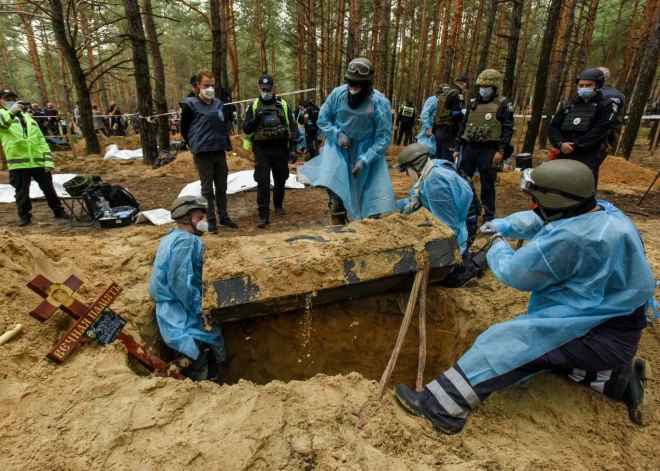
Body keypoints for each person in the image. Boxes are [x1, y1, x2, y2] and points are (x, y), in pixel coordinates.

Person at [395, 159, 656, 435]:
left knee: (507, 342)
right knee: (548, 359)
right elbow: (541, 219)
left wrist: (497, 245)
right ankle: (621, 380)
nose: (533, 206)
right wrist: (504, 225)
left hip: (601, 334)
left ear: (554, 200)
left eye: (536, 200)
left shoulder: (572, 238)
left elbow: (516, 273)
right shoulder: (600, 213)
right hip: (617, 326)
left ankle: (441, 406)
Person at [300, 58, 397, 225]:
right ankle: (339, 231)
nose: (352, 89)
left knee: (370, 200)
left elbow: (383, 137)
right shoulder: (337, 95)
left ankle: (368, 234)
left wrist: (365, 160)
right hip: (338, 152)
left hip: (367, 154)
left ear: (367, 85)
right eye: (350, 84)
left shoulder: (379, 103)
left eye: (357, 86)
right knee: (336, 196)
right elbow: (323, 119)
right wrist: (337, 134)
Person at [149, 195, 226, 382]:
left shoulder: (171, 237)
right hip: (180, 312)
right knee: (196, 360)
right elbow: (179, 281)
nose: (203, 224)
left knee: (201, 353)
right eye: (199, 219)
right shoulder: (186, 241)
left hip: (174, 309)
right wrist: (199, 307)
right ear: (185, 218)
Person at [395, 143, 487, 287]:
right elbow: (418, 186)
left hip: (464, 224)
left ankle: (474, 261)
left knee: (449, 278)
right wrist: (415, 197)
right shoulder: (433, 165)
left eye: (407, 170)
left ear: (416, 165)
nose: (406, 174)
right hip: (459, 212)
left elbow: (449, 228)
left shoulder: (436, 183)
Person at [453, 69, 514, 223]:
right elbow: (464, 127)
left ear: (494, 87)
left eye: (486, 85)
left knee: (487, 184)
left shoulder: (503, 104)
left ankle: (488, 216)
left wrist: (500, 151)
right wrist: (456, 148)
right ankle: (465, 209)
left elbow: (507, 129)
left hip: (489, 149)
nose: (483, 88)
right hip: (470, 148)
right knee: (462, 180)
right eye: (481, 85)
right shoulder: (473, 103)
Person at [0, 89, 68, 226]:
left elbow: (41, 139)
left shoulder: (28, 117)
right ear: (1, 102)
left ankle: (58, 211)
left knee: (49, 188)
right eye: (7, 99)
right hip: (18, 163)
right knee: (22, 193)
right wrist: (11, 112)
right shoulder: (3, 115)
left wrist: (48, 159)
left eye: (13, 98)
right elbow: (3, 124)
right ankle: (24, 216)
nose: (11, 101)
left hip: (38, 161)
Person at [181, 68, 237, 233]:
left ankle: (224, 216)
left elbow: (223, 122)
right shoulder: (190, 105)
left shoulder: (218, 104)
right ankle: (211, 219)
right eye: (206, 85)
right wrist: (189, 142)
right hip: (202, 152)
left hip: (218, 150)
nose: (210, 88)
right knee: (207, 189)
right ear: (198, 85)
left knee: (222, 186)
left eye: (212, 85)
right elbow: (184, 128)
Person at [243, 74, 299, 228]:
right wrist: (255, 120)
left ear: (274, 88)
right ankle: (263, 214)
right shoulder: (254, 106)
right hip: (262, 150)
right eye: (263, 89)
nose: (265, 91)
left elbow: (292, 128)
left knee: (281, 181)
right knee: (263, 183)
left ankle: (278, 204)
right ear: (258, 88)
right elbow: (246, 129)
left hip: (280, 149)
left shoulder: (283, 105)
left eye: (268, 89)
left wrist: (293, 148)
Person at [549, 68, 618, 189]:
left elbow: (601, 130)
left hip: (588, 155)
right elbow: (554, 126)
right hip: (564, 153)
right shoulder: (569, 105)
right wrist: (560, 143)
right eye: (581, 85)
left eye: (588, 85)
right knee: (559, 187)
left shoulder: (606, 105)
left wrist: (575, 145)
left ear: (597, 85)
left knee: (582, 189)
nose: (584, 88)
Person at [434, 75, 469, 162]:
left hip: (439, 129)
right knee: (448, 159)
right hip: (449, 131)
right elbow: (455, 114)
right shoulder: (458, 95)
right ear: (464, 85)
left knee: (438, 158)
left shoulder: (445, 93)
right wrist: (465, 118)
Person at [597, 66, 626, 155]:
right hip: (604, 142)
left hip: (593, 141)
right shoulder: (620, 95)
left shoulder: (594, 92)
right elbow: (618, 122)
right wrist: (609, 144)